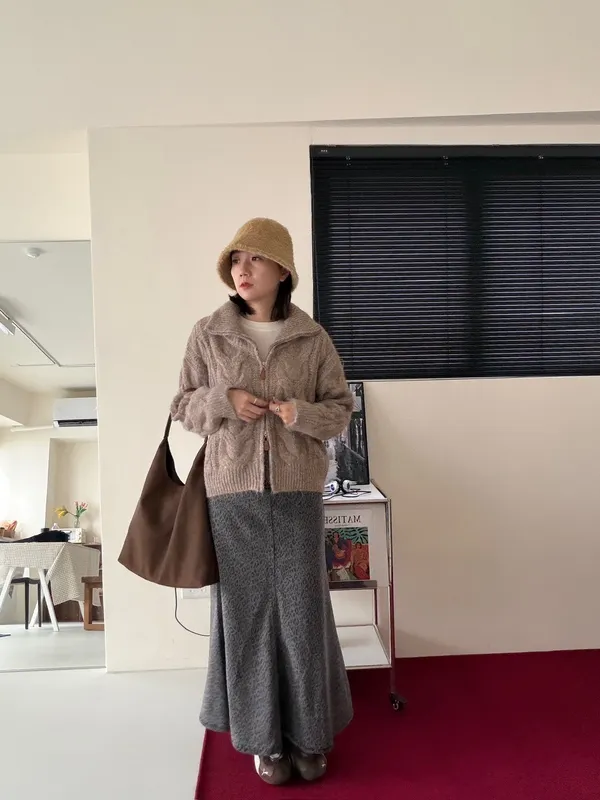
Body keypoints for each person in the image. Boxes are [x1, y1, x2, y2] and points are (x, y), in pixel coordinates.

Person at [170, 218, 354, 786]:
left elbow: (340, 410)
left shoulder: (312, 337)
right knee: (245, 615)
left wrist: (303, 414)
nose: (242, 269)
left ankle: (309, 734)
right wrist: (224, 400)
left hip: (297, 491)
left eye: (253, 258)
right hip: (231, 493)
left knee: (302, 614)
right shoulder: (209, 333)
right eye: (235, 260)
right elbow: (183, 406)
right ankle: (262, 741)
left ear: (282, 269)